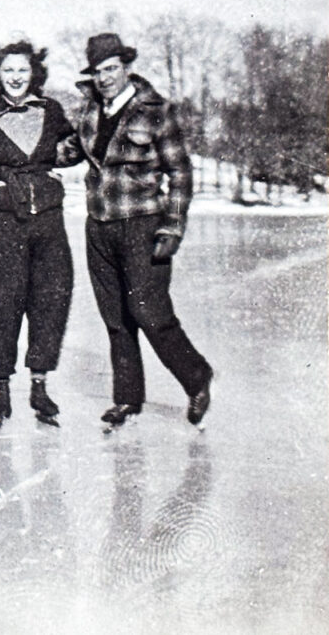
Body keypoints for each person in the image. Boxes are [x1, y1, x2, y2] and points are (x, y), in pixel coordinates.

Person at [65, 33, 213, 427]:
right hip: (99, 227)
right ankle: (127, 398)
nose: (104, 77)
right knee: (115, 318)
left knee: (149, 312)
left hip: (144, 225)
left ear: (126, 67)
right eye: (97, 71)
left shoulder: (156, 111)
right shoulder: (89, 113)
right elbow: (67, 151)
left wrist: (173, 226)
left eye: (111, 68)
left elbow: (180, 171)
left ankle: (196, 377)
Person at [0, 41, 79, 428]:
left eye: (22, 70)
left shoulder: (52, 111)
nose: (15, 77)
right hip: (1, 223)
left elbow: (73, 150)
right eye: (7, 71)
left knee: (50, 300)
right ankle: (0, 388)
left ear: (34, 74)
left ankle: (39, 384)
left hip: (48, 222)